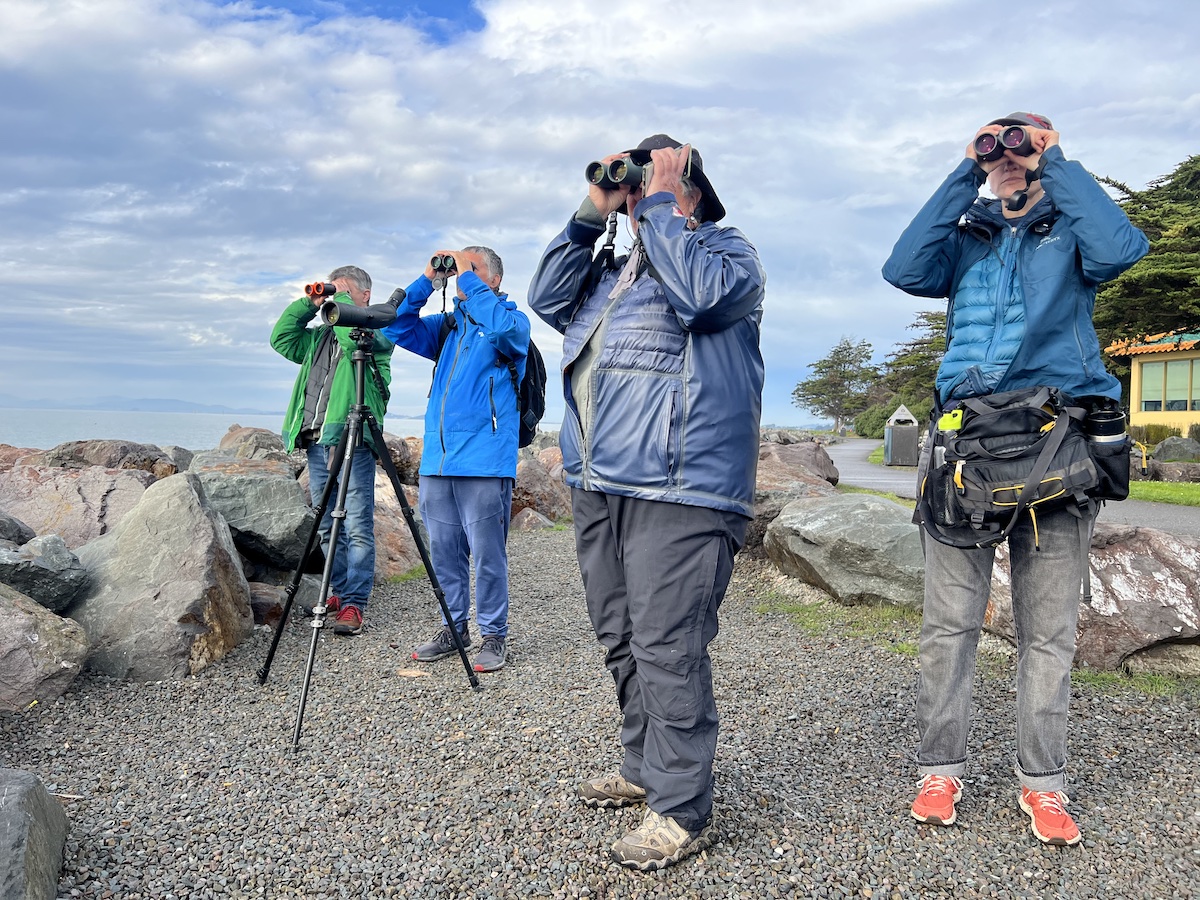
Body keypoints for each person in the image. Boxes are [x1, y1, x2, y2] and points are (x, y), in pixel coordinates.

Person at [882, 113, 1148, 845]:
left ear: (1045, 153)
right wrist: (967, 170)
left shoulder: (1070, 231)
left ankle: (1045, 784)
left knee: (1049, 633)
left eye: (1019, 144)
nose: (1007, 156)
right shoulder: (966, 238)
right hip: (967, 446)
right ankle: (941, 768)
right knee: (947, 626)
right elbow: (904, 269)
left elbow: (1124, 249)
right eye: (996, 145)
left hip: (1056, 442)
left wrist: (1053, 161)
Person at [528, 135, 765, 870]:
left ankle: (681, 806)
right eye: (631, 186)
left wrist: (662, 199)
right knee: (621, 635)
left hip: (683, 484)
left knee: (669, 644)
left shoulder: (726, 253)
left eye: (650, 182)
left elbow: (698, 299)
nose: (635, 196)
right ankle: (642, 768)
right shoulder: (613, 269)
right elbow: (544, 299)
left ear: (686, 189)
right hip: (601, 481)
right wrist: (591, 211)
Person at [381, 247, 529, 674]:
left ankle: (494, 635)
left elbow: (505, 331)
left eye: (473, 269)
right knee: (444, 552)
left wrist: (466, 279)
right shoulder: (449, 328)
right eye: (461, 270)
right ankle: (455, 627)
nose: (462, 276)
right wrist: (428, 280)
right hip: (438, 461)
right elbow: (397, 327)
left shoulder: (510, 322)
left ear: (493, 280)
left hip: (485, 459)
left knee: (487, 554)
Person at [271, 265, 394, 637]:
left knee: (356, 523)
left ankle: (355, 603)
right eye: (331, 294)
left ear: (364, 296)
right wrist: (310, 303)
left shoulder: (375, 332)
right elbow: (281, 339)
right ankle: (340, 591)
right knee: (325, 525)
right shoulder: (318, 339)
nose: (333, 300)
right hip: (316, 440)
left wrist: (339, 303)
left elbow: (353, 343)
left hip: (352, 441)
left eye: (341, 292)